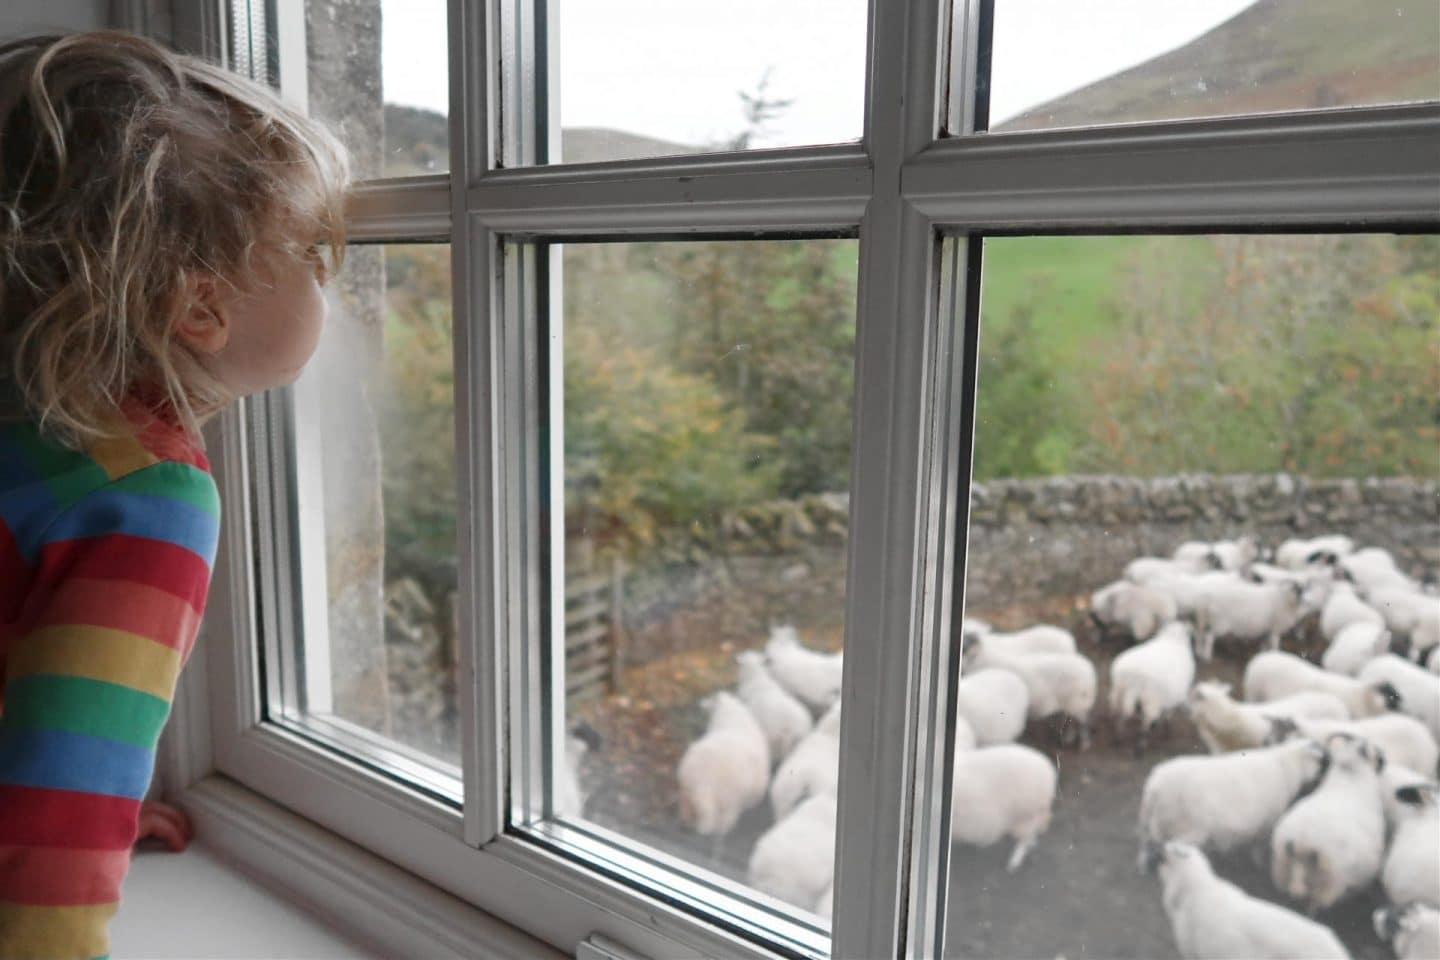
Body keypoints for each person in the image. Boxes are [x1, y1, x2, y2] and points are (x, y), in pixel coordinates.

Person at [0, 31, 348, 959]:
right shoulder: (147, 496)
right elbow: (61, 804)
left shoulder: (32, 432)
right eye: (315, 255)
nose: (332, 284)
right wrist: (62, 901)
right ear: (201, 309)